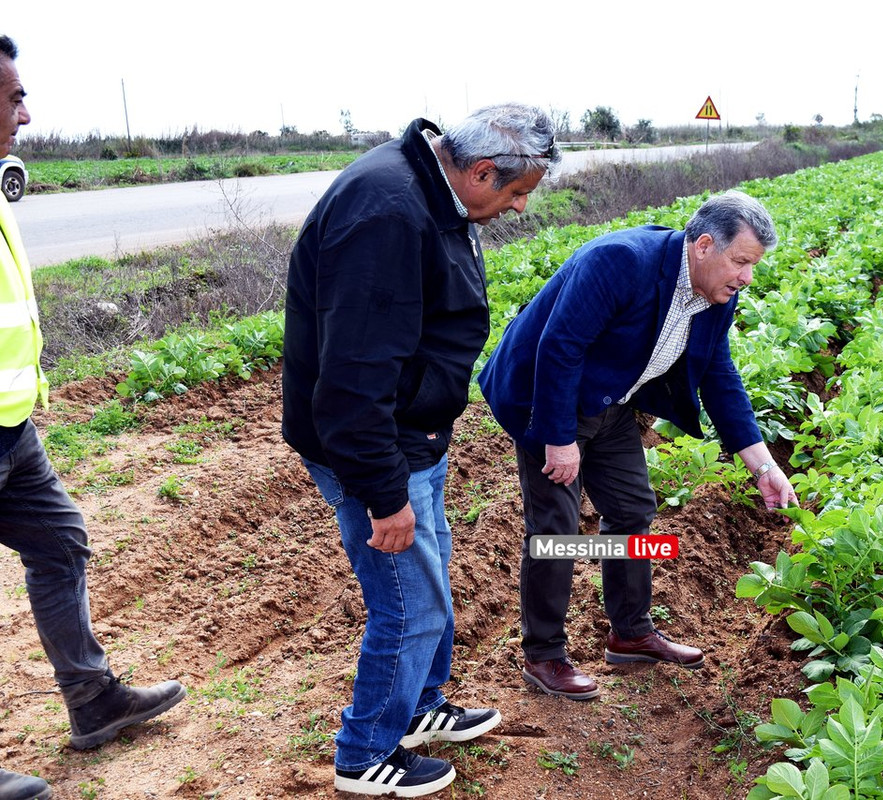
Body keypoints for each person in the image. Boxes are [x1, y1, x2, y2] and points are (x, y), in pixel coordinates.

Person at [282, 103, 559, 796]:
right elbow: (353, 379)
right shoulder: (387, 213)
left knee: (431, 579)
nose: (518, 208)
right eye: (516, 193)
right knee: (410, 605)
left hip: (414, 437)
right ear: (482, 170)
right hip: (377, 450)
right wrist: (384, 494)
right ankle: (364, 753)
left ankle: (418, 709)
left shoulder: (432, 191)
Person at [478, 190, 799, 700]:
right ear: (704, 246)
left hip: (611, 399)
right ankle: (545, 655)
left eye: (752, 266)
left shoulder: (717, 294)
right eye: (740, 262)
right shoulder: (621, 261)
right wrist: (558, 441)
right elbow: (559, 348)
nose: (746, 277)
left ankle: (630, 633)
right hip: (546, 396)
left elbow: (718, 374)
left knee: (631, 509)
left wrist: (763, 467)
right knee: (557, 525)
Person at [0, 35, 187, 800]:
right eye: (15, 97)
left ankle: (92, 699)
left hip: (12, 430)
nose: (27, 113)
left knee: (60, 542)